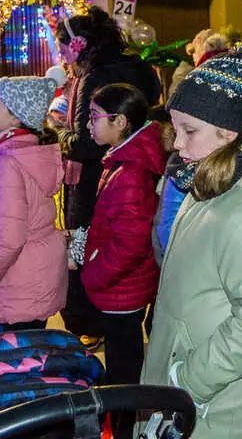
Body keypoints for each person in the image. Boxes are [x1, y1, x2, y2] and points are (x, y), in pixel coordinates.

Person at [140, 45, 242, 439]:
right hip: (196, 395)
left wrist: (190, 380)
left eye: (190, 131)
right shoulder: (209, 189)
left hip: (220, 407)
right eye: (175, 129)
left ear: (229, 132)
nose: (177, 144)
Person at [55, 6, 161, 338]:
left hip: (91, 179)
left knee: (83, 246)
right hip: (126, 163)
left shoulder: (92, 76)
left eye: (61, 46)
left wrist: (58, 133)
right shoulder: (137, 65)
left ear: (79, 45)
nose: (59, 54)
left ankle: (86, 324)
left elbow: (85, 144)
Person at [79, 83, 164, 439]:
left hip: (121, 290)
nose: (88, 125)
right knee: (123, 362)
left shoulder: (130, 172)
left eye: (96, 117)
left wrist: (93, 274)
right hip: (120, 287)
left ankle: (127, 430)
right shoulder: (121, 160)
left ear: (122, 122)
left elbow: (129, 244)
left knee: (123, 370)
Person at [0, 76, 67, 332]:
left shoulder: (9, 162)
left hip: (17, 281)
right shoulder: (33, 152)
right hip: (37, 273)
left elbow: (8, 239)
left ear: (17, 118)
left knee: (13, 363)